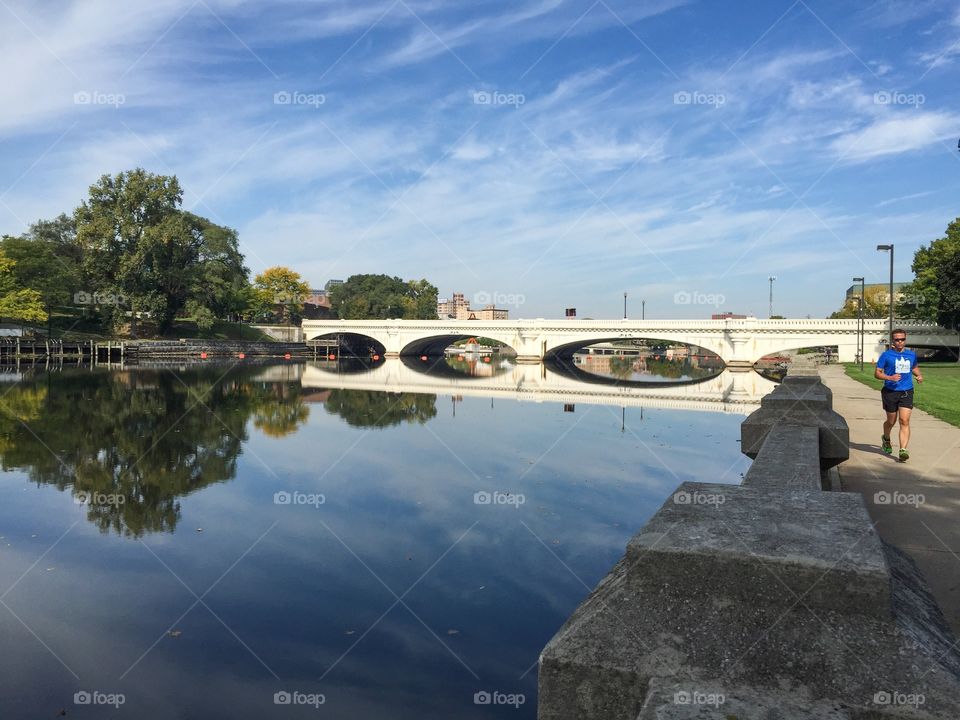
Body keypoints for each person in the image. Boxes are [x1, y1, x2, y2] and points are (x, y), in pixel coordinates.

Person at [874, 329, 923, 461]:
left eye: (902, 339)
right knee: (891, 421)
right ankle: (886, 438)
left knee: (904, 420)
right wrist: (890, 377)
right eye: (897, 339)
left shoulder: (911, 355)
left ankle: (903, 450)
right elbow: (877, 373)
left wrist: (918, 375)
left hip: (907, 390)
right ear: (893, 341)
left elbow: (913, 367)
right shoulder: (886, 355)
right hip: (890, 392)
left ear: (905, 340)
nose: (900, 342)